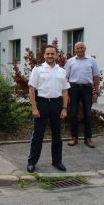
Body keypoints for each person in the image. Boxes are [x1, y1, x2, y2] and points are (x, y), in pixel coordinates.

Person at [27, 45, 69, 173]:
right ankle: (32, 162)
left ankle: (57, 161)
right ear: (44, 55)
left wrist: (64, 108)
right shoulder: (38, 69)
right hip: (42, 104)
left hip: (57, 104)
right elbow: (31, 89)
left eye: (52, 54)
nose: (50, 56)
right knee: (38, 135)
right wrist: (34, 108)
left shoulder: (61, 71)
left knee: (57, 135)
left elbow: (65, 91)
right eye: (48, 54)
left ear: (56, 55)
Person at [64, 42, 100, 148]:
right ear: (75, 49)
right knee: (73, 113)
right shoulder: (70, 61)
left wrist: (96, 92)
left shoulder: (91, 61)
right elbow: (65, 78)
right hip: (73, 88)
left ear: (85, 48)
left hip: (87, 89)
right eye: (77, 48)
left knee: (88, 114)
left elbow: (96, 77)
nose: (80, 50)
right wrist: (66, 94)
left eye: (81, 48)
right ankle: (74, 137)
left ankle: (88, 138)